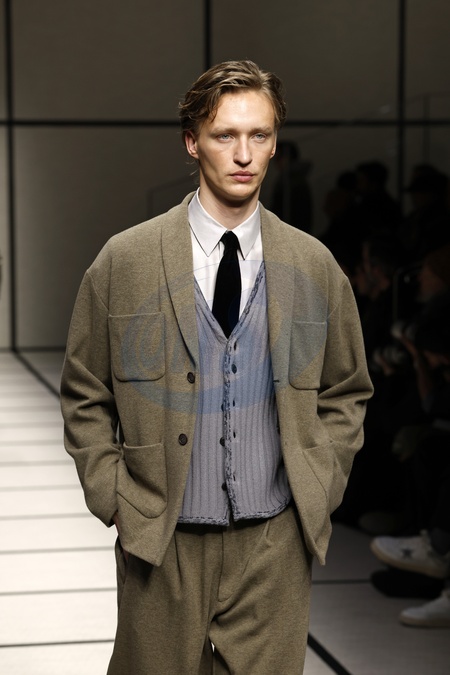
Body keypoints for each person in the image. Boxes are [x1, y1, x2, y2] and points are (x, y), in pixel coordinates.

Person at [60, 60, 373, 675]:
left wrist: (321, 480)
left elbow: (346, 388)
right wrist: (115, 497)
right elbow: (84, 392)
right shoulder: (125, 261)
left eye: (259, 135)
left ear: (275, 143)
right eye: (225, 135)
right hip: (161, 539)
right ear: (192, 141)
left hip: (274, 543)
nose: (244, 154)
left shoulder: (313, 265)